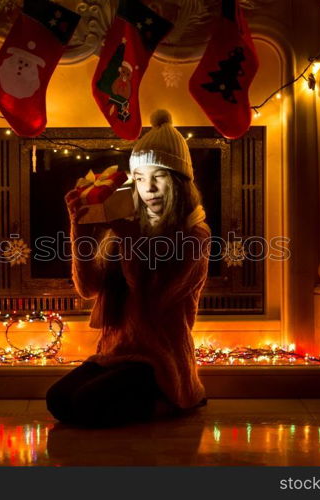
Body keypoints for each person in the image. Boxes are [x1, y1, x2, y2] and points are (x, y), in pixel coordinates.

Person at [45, 109, 210, 428]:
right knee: (58, 399)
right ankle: (146, 401)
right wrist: (78, 226)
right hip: (115, 353)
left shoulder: (194, 235)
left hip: (157, 360)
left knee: (84, 406)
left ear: (178, 182)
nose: (147, 187)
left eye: (158, 176)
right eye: (140, 178)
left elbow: (154, 302)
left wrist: (129, 240)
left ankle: (174, 399)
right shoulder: (130, 222)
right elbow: (88, 288)